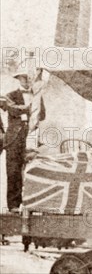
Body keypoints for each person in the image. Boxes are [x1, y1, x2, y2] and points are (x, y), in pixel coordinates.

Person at [5, 70, 45, 211]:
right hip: (15, 138)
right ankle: (14, 205)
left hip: (32, 135)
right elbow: (12, 109)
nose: (27, 81)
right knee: (14, 171)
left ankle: (31, 204)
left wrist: (36, 103)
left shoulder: (37, 96)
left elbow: (43, 115)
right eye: (24, 78)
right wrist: (30, 108)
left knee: (33, 170)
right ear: (19, 79)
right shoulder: (10, 95)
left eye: (29, 78)